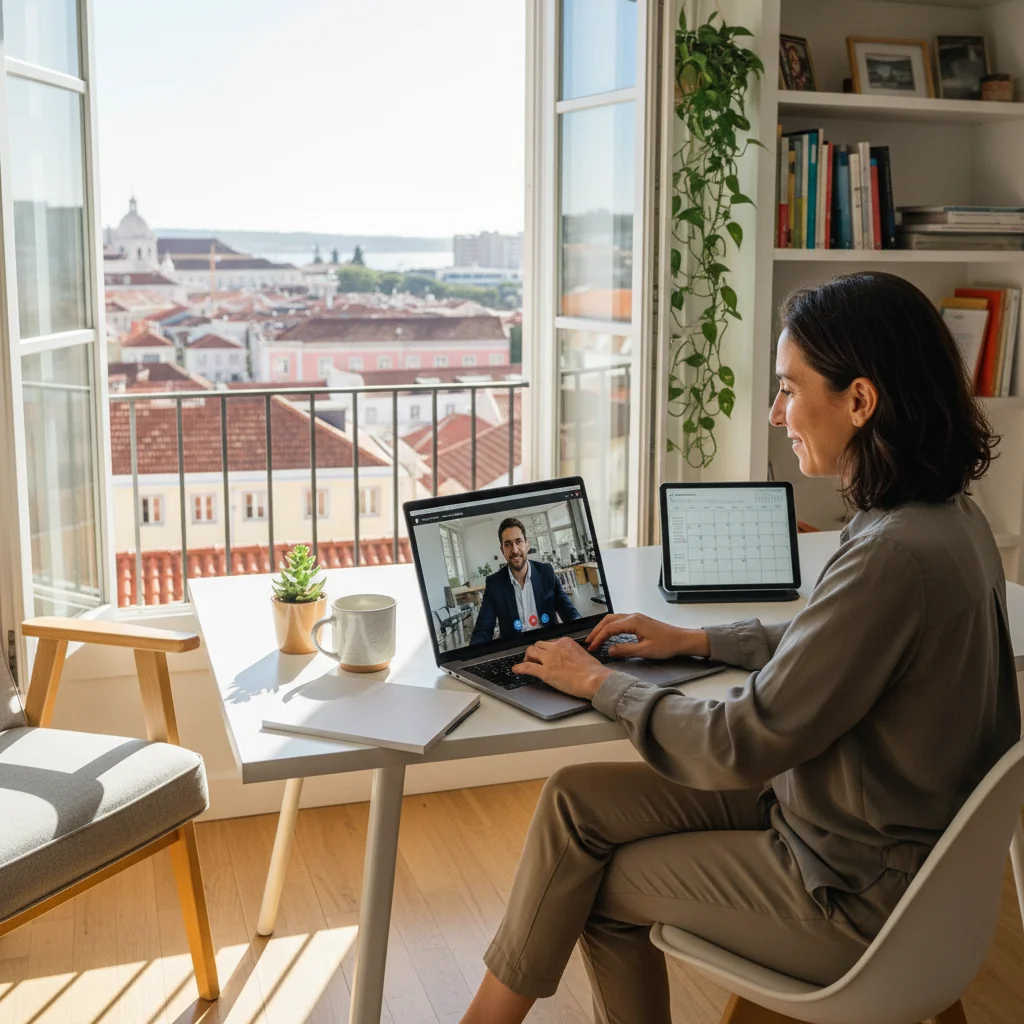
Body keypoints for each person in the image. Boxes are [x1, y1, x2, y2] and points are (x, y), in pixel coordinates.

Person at [458, 272, 1021, 1024]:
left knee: (592, 883)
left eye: (789, 389)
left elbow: (739, 740)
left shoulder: (891, 555)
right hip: (859, 831)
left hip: (849, 889)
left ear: (859, 401)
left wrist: (598, 683)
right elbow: (840, 642)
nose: (776, 412)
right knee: (574, 800)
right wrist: (696, 639)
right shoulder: (946, 518)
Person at [469, 517, 581, 644]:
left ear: (527, 544)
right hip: (515, 650)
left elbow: (570, 612)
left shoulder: (546, 572)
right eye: (508, 544)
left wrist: (582, 631)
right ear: (502, 550)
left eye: (518, 542)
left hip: (549, 645)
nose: (515, 550)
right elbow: (482, 629)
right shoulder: (494, 584)